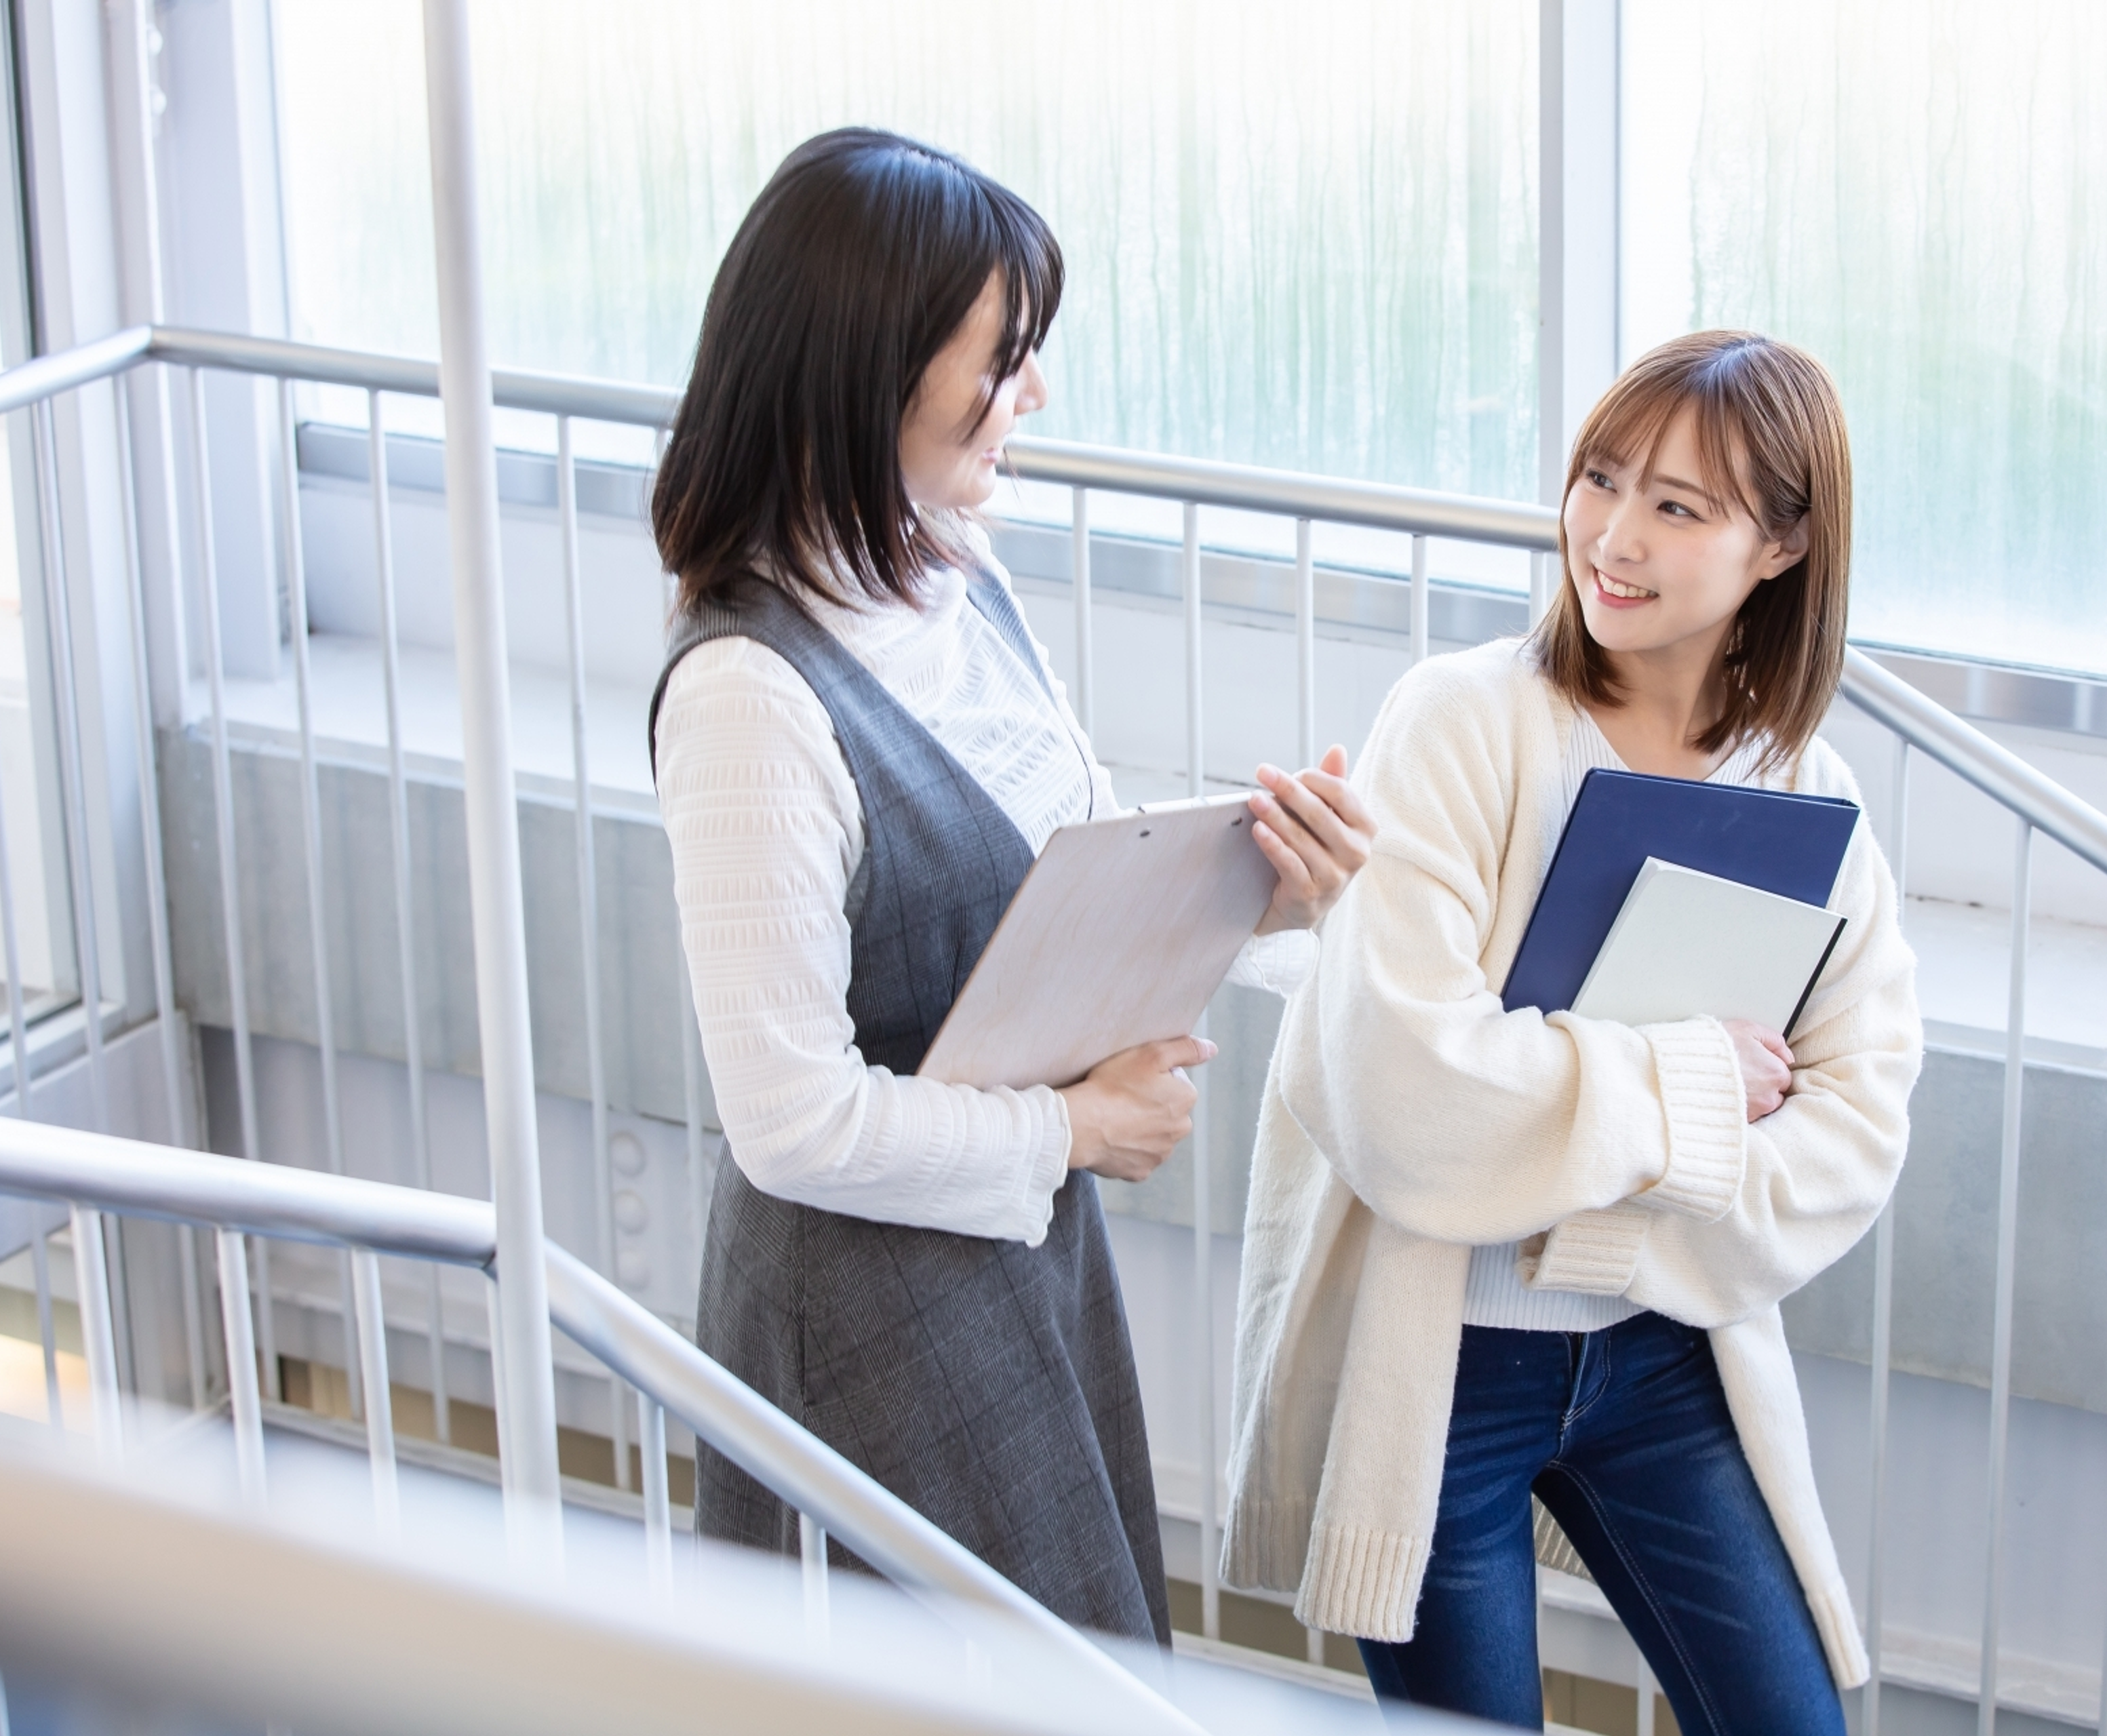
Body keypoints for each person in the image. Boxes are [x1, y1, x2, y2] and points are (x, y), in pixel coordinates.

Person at [649, 127, 1373, 1643]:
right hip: (862, 1299)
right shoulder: (746, 697)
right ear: (873, 369)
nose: (1032, 391)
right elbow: (790, 1122)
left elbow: (1078, 855)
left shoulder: (950, 565)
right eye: (1004, 354)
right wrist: (1074, 1127)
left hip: (1010, 1240)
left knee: (1078, 1651)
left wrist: (1274, 885)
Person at [1221, 332, 1920, 1729]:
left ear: (1781, 545)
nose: (1613, 534)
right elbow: (1408, 1094)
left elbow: (1859, 1120)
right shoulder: (1465, 722)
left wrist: (1609, 1179)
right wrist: (1700, 1083)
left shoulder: (1801, 782)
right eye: (1602, 478)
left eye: (1679, 505)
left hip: (1664, 1348)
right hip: (1447, 1364)